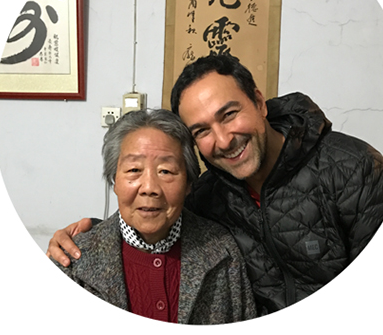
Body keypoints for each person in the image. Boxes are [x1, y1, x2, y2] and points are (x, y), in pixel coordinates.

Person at [48, 55, 383, 316]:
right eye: (202, 130)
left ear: (259, 103)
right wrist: (93, 238)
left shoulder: (352, 169)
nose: (223, 140)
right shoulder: (208, 194)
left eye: (229, 115)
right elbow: (154, 220)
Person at [50, 108, 257, 324]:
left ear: (188, 184)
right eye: (134, 170)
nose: (149, 188)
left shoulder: (222, 252)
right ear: (114, 181)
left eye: (165, 171)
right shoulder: (72, 262)